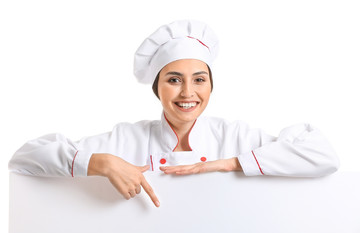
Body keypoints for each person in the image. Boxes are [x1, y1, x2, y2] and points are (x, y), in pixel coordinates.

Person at [8, 20, 340, 208]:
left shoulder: (236, 136)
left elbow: (322, 154)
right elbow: (24, 158)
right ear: (156, 87)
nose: (187, 93)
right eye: (173, 80)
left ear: (211, 85)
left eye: (199, 80)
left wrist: (227, 164)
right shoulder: (126, 138)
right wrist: (102, 163)